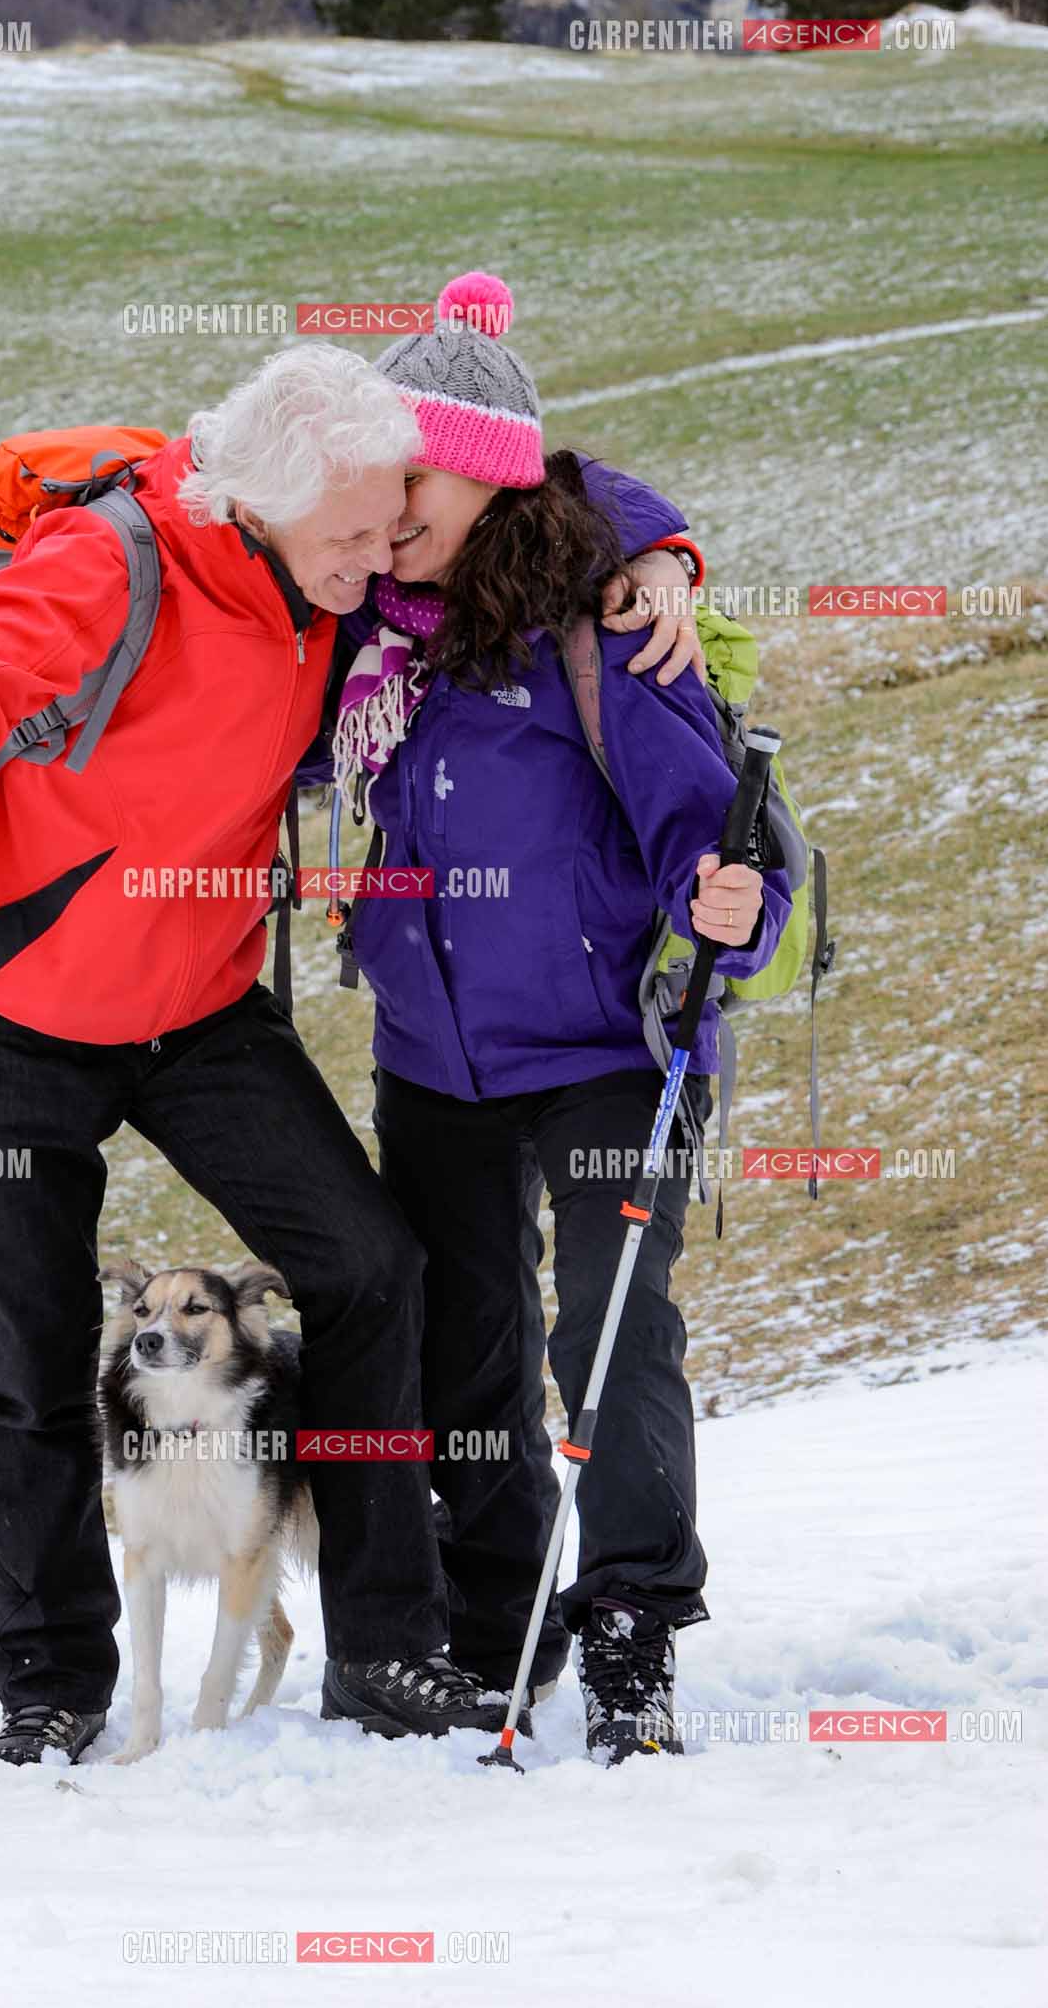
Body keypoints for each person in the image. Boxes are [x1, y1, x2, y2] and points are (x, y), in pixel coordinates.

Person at [0, 341, 700, 1767]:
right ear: (264, 502)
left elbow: (517, 473)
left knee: (368, 1267)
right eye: (356, 530)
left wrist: (656, 550)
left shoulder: (337, 587)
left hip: (198, 1009)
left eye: (389, 521)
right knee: (36, 1353)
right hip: (12, 1007)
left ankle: (388, 1649)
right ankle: (52, 1680)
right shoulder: (120, 564)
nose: (385, 552)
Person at [330, 275, 792, 1765]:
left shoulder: (604, 623)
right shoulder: (363, 633)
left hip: (609, 1053)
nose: (399, 500)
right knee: (465, 1350)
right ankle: (500, 1620)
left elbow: (724, 842)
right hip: (434, 1056)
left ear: (495, 470)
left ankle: (633, 1623)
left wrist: (738, 908)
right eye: (384, 468)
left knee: (609, 1330)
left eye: (428, 471)